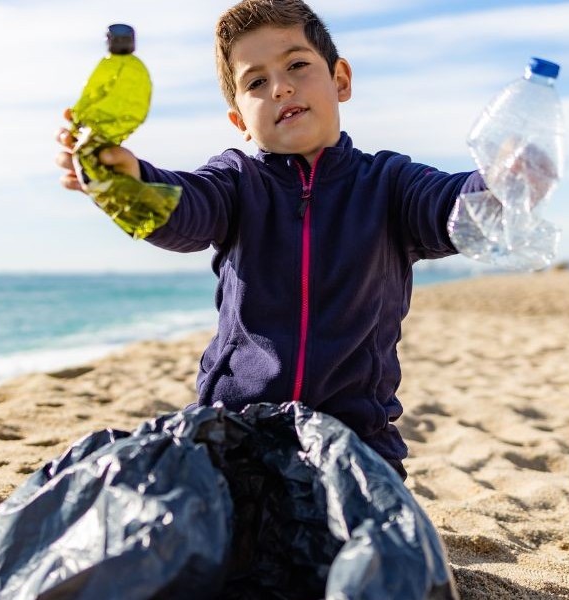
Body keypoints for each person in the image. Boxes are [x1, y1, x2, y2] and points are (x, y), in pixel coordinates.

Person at [55, 0, 490, 481]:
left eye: (298, 65)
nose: (280, 87)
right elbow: (187, 209)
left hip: (357, 446)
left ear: (340, 79)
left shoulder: (389, 183)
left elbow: (451, 204)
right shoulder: (236, 180)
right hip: (237, 438)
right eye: (256, 82)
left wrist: (502, 183)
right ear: (239, 120)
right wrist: (130, 179)